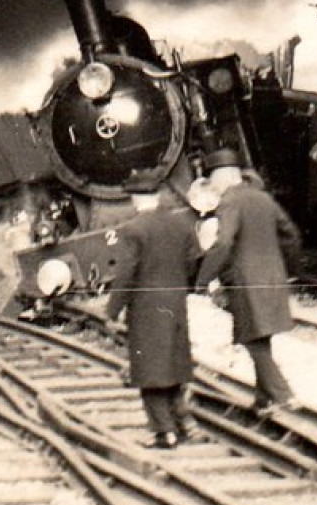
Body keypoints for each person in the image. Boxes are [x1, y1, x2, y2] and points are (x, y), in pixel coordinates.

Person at [194, 148, 304, 415]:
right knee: (259, 337)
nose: (214, 187)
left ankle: (283, 395)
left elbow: (223, 243)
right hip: (272, 279)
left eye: (213, 180)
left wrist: (202, 280)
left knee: (252, 339)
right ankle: (263, 399)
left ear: (224, 178)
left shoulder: (231, 201)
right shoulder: (264, 199)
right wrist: (289, 270)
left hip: (246, 282)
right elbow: (291, 234)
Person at [105, 181, 201, 449]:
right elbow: (193, 261)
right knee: (173, 362)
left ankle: (164, 431)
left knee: (150, 370)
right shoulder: (180, 224)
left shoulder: (132, 230)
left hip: (147, 308)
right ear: (158, 196)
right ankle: (184, 424)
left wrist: (112, 309)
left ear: (136, 199)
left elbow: (126, 275)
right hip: (175, 303)